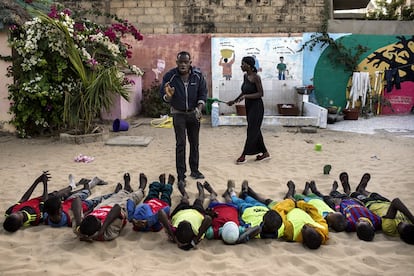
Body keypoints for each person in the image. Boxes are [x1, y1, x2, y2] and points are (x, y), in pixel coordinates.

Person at [160, 51, 208, 184]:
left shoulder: (198, 76)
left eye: (185, 62)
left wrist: (199, 108)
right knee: (180, 144)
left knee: (194, 144)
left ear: (190, 63)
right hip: (178, 114)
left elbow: (203, 93)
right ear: (176, 63)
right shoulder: (170, 76)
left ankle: (195, 170)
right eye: (180, 62)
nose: (182, 64)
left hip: (193, 114)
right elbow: (163, 96)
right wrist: (168, 96)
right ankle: (181, 175)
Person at [71, 172, 147, 242]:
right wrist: (102, 229)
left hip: (103, 207)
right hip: (120, 211)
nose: (99, 219)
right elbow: (117, 208)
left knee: (116, 196)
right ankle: (141, 188)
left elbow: (76, 200)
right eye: (99, 221)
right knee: (132, 198)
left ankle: (126, 189)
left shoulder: (81, 229)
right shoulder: (108, 233)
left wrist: (78, 223)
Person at [313, 172, 382, 242]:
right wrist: (360, 203)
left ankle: (319, 192)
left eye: (357, 224)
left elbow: (338, 217)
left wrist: (337, 205)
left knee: (327, 198)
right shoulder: (377, 221)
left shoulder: (350, 225)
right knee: (341, 194)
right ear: (371, 226)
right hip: (351, 201)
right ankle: (346, 189)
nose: (359, 220)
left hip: (339, 204)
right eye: (363, 221)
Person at [227, 56, 270, 164]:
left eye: (243, 64)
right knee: (255, 129)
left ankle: (244, 155)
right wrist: (234, 100)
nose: (241, 66)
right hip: (249, 106)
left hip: (257, 107)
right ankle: (265, 153)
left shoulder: (256, 77)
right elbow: (244, 91)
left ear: (249, 65)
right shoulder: (246, 76)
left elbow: (261, 93)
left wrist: (246, 96)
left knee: (251, 130)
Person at [350, 173, 414, 245]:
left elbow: (396, 201)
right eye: (407, 224)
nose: (402, 222)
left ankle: (358, 190)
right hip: (385, 202)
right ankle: (361, 189)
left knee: (353, 194)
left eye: (400, 226)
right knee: (369, 193)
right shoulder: (409, 227)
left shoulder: (389, 227)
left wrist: (412, 219)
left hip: (371, 204)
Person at [3, 171, 74, 232]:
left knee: (57, 194)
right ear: (22, 223)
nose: (18, 212)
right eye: (19, 215)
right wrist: (45, 184)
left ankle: (73, 187)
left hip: (37, 200)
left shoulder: (9, 212)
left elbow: (24, 199)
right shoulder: (34, 216)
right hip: (46, 201)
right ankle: (72, 187)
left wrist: (36, 181)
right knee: (57, 195)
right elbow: (45, 201)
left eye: (15, 213)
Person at [43, 176, 117, 228]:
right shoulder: (69, 220)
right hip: (83, 205)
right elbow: (83, 215)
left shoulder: (46, 218)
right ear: (60, 210)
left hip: (70, 200)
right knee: (97, 198)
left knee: (86, 192)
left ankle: (88, 184)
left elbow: (46, 204)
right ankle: (96, 183)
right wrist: (91, 209)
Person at [158, 181, 212, 250]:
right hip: (197, 212)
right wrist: (196, 239)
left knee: (184, 200)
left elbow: (160, 212)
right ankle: (201, 192)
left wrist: (171, 234)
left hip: (181, 211)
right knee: (199, 201)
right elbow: (208, 218)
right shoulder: (196, 233)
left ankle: (185, 194)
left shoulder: (174, 231)